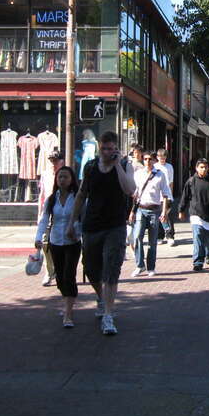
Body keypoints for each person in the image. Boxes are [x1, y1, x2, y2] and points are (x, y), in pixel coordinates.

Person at [68, 131, 136, 336]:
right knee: (90, 269)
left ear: (116, 148)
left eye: (111, 148)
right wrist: (72, 222)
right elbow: (81, 195)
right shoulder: (90, 167)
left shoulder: (124, 165)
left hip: (115, 226)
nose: (107, 152)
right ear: (99, 147)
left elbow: (130, 189)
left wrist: (116, 165)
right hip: (92, 225)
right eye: (104, 148)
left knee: (111, 269)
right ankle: (101, 297)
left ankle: (108, 314)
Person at [35, 166, 82, 328]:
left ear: (72, 180)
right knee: (60, 278)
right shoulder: (51, 199)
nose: (62, 180)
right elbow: (44, 220)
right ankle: (68, 300)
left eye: (66, 177)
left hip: (72, 242)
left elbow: (83, 218)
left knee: (69, 275)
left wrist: (76, 231)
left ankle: (68, 313)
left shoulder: (77, 197)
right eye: (60, 177)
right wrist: (38, 238)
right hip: (55, 241)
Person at [178, 159, 209, 272]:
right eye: (201, 167)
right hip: (196, 214)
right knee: (198, 237)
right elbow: (185, 196)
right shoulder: (191, 181)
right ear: (196, 168)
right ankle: (198, 262)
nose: (203, 169)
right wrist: (181, 210)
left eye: (205, 167)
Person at [129, 151, 171, 278]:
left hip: (154, 210)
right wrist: (132, 211)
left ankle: (151, 267)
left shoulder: (160, 175)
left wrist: (164, 212)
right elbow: (135, 195)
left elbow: (165, 194)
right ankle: (140, 265)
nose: (147, 161)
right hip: (141, 209)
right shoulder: (138, 174)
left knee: (152, 241)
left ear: (154, 160)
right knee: (137, 237)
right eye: (145, 159)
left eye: (150, 159)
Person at [37, 149, 64, 287]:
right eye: (52, 161)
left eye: (56, 161)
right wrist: (40, 214)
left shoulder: (65, 175)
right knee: (45, 243)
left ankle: (60, 271)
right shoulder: (46, 174)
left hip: (61, 215)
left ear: (61, 161)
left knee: (59, 244)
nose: (53, 163)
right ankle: (49, 271)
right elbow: (42, 195)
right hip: (47, 213)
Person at [154, 148, 176, 246]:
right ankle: (159, 236)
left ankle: (170, 236)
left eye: (164, 157)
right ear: (157, 157)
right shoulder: (154, 167)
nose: (162, 159)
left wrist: (171, 194)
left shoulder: (169, 167)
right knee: (159, 216)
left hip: (167, 195)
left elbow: (171, 182)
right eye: (160, 157)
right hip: (157, 196)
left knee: (168, 216)